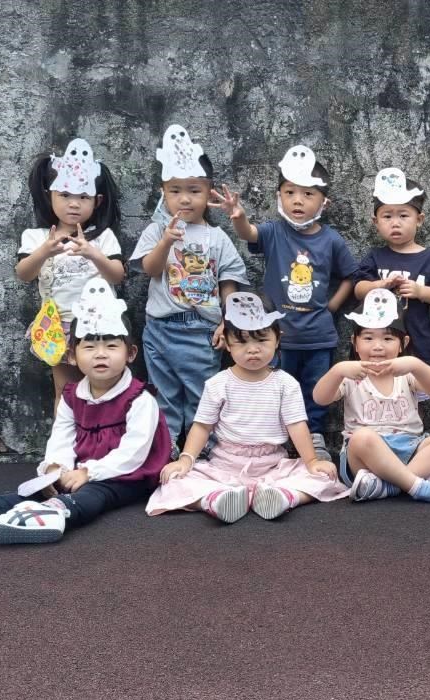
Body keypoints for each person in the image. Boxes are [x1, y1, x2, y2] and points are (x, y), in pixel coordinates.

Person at [0, 281, 171, 544]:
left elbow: (133, 452)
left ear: (130, 353)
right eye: (89, 347)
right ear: (72, 355)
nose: (100, 354)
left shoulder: (140, 398)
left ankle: (56, 514)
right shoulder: (72, 396)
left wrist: (89, 472)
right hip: (82, 469)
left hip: (128, 475)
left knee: (97, 493)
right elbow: (62, 437)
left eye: (111, 346)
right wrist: (56, 467)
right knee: (45, 487)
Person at [146, 292, 346, 522]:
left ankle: (285, 497)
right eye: (242, 341)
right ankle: (214, 500)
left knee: (323, 476)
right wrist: (186, 459)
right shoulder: (218, 384)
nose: (252, 349)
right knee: (174, 480)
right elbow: (202, 426)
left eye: (261, 340)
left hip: (273, 466)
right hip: (224, 465)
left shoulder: (286, 384)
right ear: (227, 343)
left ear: (277, 340)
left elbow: (297, 426)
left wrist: (311, 462)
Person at [213, 145, 357, 461]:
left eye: (307, 194)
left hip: (319, 337)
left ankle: (314, 437)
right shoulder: (274, 232)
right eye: (290, 192)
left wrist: (332, 307)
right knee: (274, 389)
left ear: (324, 202)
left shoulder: (331, 239)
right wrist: (239, 217)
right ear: (279, 196)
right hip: (278, 338)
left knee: (315, 392)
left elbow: (350, 276)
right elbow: (249, 233)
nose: (297, 200)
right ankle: (277, 439)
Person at [130, 125, 249, 449]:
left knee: (202, 394)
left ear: (209, 193)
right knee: (163, 393)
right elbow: (150, 270)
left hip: (200, 330)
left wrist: (228, 320)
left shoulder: (216, 237)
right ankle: (166, 451)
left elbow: (229, 281)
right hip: (160, 327)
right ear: (163, 192)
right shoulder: (156, 231)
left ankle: (204, 451)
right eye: (175, 190)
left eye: (194, 190)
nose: (185, 198)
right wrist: (166, 241)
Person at [312, 288, 430, 504]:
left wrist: (415, 364)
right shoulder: (350, 375)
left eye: (388, 338)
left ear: (403, 344)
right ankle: (418, 487)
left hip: (411, 450)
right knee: (362, 437)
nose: (378, 346)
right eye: (368, 338)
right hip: (366, 460)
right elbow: (320, 398)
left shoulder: (406, 374)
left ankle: (392, 486)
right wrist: (337, 371)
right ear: (355, 343)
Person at [15, 138, 124, 406]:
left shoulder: (103, 237)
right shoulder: (36, 237)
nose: (74, 204)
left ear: (97, 201)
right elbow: (24, 274)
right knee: (65, 392)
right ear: (49, 195)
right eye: (65, 195)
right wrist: (44, 251)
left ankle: (100, 432)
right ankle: (64, 434)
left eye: (83, 197)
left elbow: (117, 275)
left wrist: (93, 253)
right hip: (58, 325)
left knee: (104, 391)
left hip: (99, 324)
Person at [351, 168, 430, 366]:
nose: (395, 223)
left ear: (419, 220)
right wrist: (379, 285)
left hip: (417, 342)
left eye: (403, 216)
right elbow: (358, 289)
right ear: (376, 222)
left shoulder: (429, 258)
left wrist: (420, 291)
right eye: (387, 216)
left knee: (414, 384)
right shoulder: (375, 256)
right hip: (377, 345)